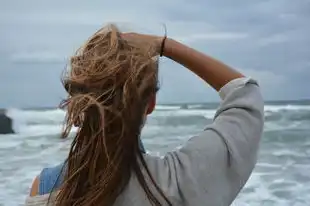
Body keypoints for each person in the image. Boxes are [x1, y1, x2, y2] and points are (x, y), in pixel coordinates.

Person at [25, 24, 264, 206]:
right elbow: (245, 95)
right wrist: (164, 45)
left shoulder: (45, 190)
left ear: (78, 104)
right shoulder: (179, 181)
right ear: (150, 103)